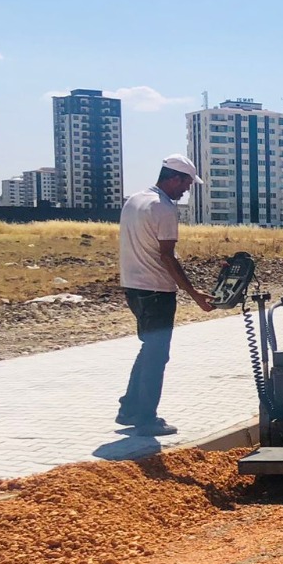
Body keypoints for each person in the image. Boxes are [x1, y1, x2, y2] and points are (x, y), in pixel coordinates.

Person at [116, 155, 214, 436]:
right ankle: (146, 418)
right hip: (157, 290)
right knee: (157, 354)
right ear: (174, 178)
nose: (186, 190)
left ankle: (129, 409)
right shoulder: (165, 208)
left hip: (133, 287)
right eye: (186, 183)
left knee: (149, 347)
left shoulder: (135, 200)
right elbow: (167, 256)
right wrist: (194, 293)